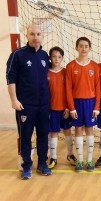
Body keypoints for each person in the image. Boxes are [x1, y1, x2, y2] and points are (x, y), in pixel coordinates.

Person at [6, 24, 52, 179]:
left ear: (42, 36)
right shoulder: (17, 55)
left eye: (38, 34)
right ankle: (26, 166)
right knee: (25, 137)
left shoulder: (45, 55)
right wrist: (14, 100)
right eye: (32, 34)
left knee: (43, 136)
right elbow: (10, 78)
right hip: (25, 105)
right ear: (27, 36)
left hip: (44, 105)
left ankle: (42, 164)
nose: (35, 37)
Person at [65, 37, 100, 172]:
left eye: (86, 46)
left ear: (90, 48)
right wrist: (71, 107)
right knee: (78, 130)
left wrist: (97, 107)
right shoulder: (70, 66)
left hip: (90, 103)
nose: (83, 48)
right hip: (76, 103)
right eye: (81, 46)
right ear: (76, 48)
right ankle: (80, 159)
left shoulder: (94, 66)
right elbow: (68, 88)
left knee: (90, 130)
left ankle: (89, 160)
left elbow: (98, 88)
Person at [47, 46, 77, 169]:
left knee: (67, 131)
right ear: (50, 58)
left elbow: (71, 91)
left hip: (65, 109)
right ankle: (53, 157)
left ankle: (70, 154)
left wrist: (68, 108)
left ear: (62, 58)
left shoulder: (66, 72)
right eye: (54, 56)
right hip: (51, 109)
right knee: (53, 132)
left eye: (59, 57)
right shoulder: (46, 73)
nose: (56, 59)